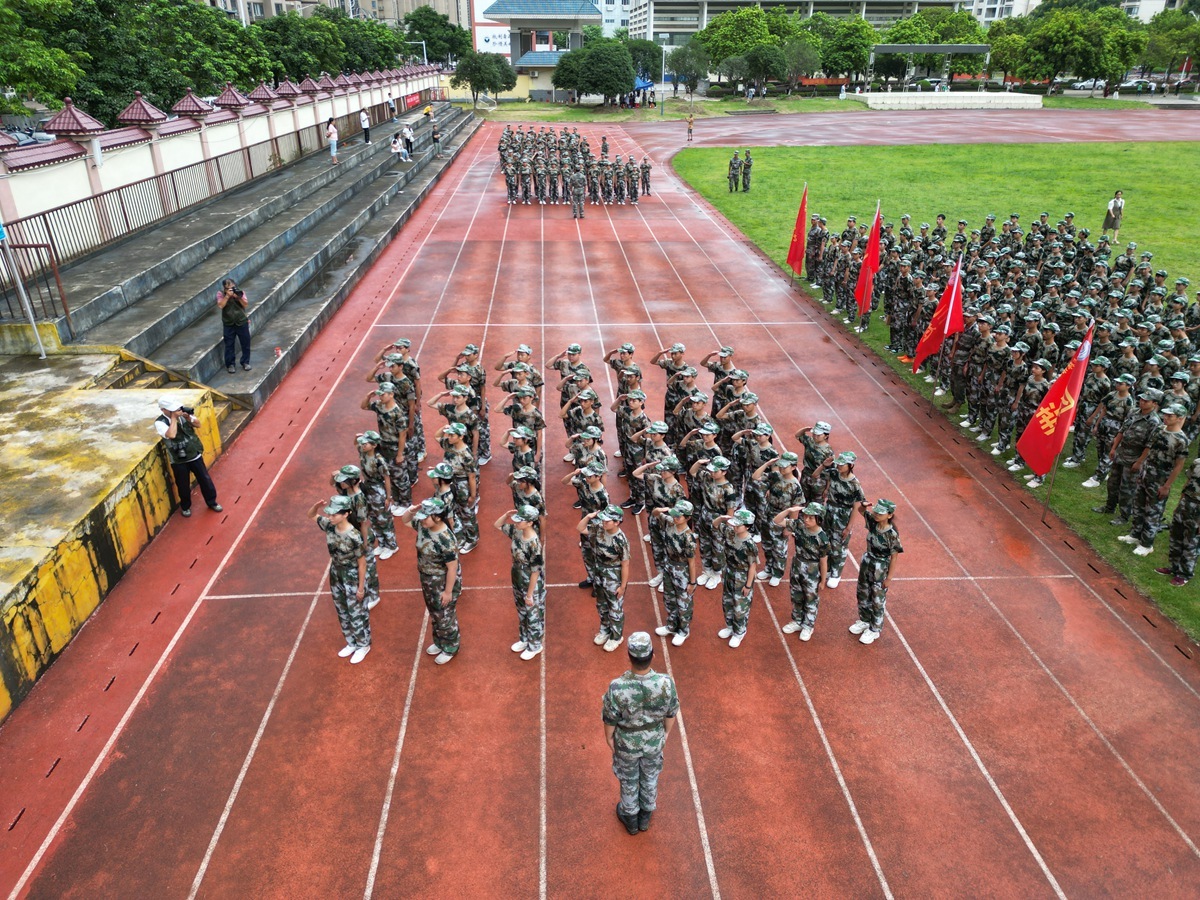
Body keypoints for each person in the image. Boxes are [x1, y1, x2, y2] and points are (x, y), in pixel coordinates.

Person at [602, 631, 679, 836]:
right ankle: (645, 816)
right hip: (654, 740)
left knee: (629, 780)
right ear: (652, 655)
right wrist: (665, 735)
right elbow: (671, 712)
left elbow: (610, 719)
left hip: (627, 742)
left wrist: (610, 738)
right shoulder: (665, 683)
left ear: (629, 657)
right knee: (650, 776)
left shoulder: (617, 687)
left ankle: (631, 820)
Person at [307, 494, 370, 664]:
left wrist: (361, 587)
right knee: (342, 609)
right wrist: (316, 505)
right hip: (336, 573)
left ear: (346, 514)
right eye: (330, 513)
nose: (330, 517)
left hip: (352, 576)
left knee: (356, 611)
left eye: (334, 514)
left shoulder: (353, 536)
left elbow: (362, 563)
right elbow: (311, 515)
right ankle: (351, 642)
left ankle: (363, 645)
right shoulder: (329, 526)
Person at [400, 498, 461, 665]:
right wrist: (413, 509)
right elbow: (404, 520)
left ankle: (450, 646)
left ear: (438, 518)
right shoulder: (423, 526)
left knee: (445, 615)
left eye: (426, 516)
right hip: (427, 578)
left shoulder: (446, 539)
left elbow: (452, 568)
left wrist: (448, 592)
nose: (422, 519)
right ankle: (440, 642)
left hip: (441, 580)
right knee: (434, 613)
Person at [155, 396, 221, 518]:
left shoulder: (183, 415)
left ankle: (212, 502)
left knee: (205, 480)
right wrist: (174, 419)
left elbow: (198, 424)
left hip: (194, 454)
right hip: (178, 460)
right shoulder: (160, 423)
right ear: (163, 410)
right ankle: (185, 507)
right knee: (183, 485)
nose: (176, 411)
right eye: (172, 410)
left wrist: (188, 417)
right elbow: (171, 435)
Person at [849, 499, 903, 645]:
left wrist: (889, 578)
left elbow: (894, 557)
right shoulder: (873, 522)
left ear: (890, 515)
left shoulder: (892, 534)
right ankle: (865, 620)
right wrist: (863, 506)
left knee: (877, 599)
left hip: (881, 566)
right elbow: (861, 512)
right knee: (862, 593)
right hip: (868, 562)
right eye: (876, 511)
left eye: (881, 512)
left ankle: (875, 629)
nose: (876, 514)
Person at [496, 505, 545, 660]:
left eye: (520, 520)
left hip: (529, 579)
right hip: (516, 575)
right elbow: (497, 525)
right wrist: (506, 514)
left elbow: (536, 571)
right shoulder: (517, 532)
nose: (516, 522)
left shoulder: (534, 544)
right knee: (522, 611)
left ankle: (535, 645)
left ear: (530, 523)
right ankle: (524, 639)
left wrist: (530, 594)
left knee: (532, 614)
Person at [775, 501, 829, 642]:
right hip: (797, 565)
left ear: (819, 519)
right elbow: (777, 521)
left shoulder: (822, 538)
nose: (806, 519)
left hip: (812, 570)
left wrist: (822, 581)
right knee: (796, 595)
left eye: (811, 518)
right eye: (805, 516)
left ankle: (808, 625)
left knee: (810, 599)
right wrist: (789, 510)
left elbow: (823, 561)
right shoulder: (799, 526)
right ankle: (797, 620)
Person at [579, 504, 630, 652]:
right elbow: (581, 529)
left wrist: (623, 586)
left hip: (613, 576)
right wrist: (588, 517)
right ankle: (605, 629)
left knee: (615, 607)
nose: (604, 522)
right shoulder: (598, 529)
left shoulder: (621, 540)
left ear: (617, 522)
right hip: (599, 573)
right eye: (603, 519)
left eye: (607, 521)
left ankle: (616, 636)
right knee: (601, 604)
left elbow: (625, 564)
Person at [1158, 457, 1200, 586]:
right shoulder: (1197, 462)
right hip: (1186, 504)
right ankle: (1174, 567)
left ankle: (1184, 574)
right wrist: (1180, 503)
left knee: (1191, 542)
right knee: (1176, 536)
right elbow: (1187, 483)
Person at [216, 278, 250, 374]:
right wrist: (227, 296)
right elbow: (220, 306)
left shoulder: (240, 292)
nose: (231, 289)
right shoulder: (220, 294)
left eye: (233, 287)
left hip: (241, 321)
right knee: (229, 345)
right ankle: (230, 364)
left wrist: (237, 297)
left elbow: (246, 304)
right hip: (228, 323)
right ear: (225, 288)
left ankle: (245, 362)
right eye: (228, 288)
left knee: (245, 343)